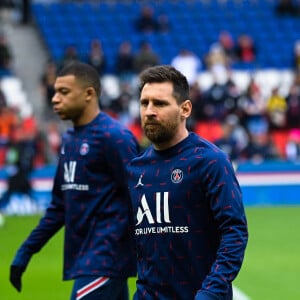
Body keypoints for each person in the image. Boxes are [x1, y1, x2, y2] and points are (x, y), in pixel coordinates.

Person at [9, 62, 140, 300]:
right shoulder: (69, 140)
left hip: (105, 260)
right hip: (84, 258)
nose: (55, 99)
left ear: (89, 93)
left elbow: (142, 198)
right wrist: (26, 251)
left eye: (64, 92)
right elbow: (59, 206)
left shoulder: (115, 138)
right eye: (55, 92)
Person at [126, 65, 248, 300]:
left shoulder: (210, 162)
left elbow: (234, 232)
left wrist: (210, 292)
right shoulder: (135, 169)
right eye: (144, 103)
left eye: (159, 103)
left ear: (185, 109)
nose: (149, 111)